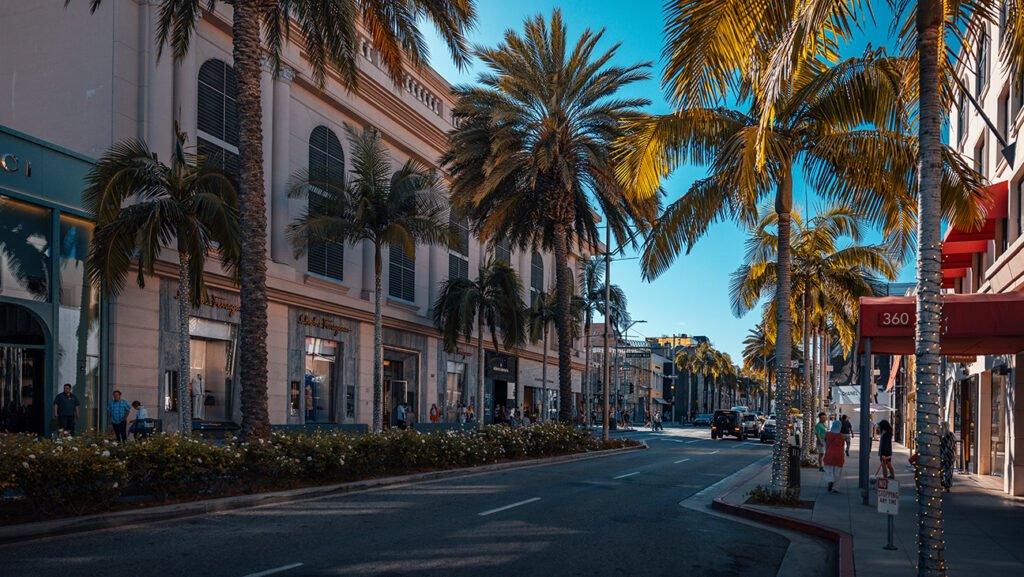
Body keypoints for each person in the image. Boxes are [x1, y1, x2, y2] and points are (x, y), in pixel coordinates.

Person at [823, 420, 846, 493]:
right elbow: (843, 447)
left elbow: (825, 445)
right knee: (838, 472)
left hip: (829, 454)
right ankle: (836, 488)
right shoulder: (842, 436)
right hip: (839, 455)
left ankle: (830, 480)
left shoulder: (827, 434)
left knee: (828, 470)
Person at [940, 421, 956, 492]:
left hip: (942, 455)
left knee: (940, 470)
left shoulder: (940, 435)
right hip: (950, 455)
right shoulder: (951, 435)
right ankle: (947, 486)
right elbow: (953, 445)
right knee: (949, 470)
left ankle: (941, 483)